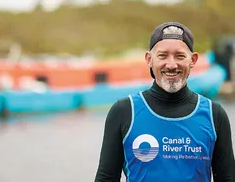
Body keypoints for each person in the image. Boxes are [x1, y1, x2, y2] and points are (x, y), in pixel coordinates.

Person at [94, 22, 235, 182]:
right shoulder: (124, 111)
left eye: (180, 56)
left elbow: (227, 178)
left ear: (193, 60)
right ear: (149, 59)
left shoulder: (214, 114)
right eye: (162, 55)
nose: (171, 64)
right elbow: (106, 178)